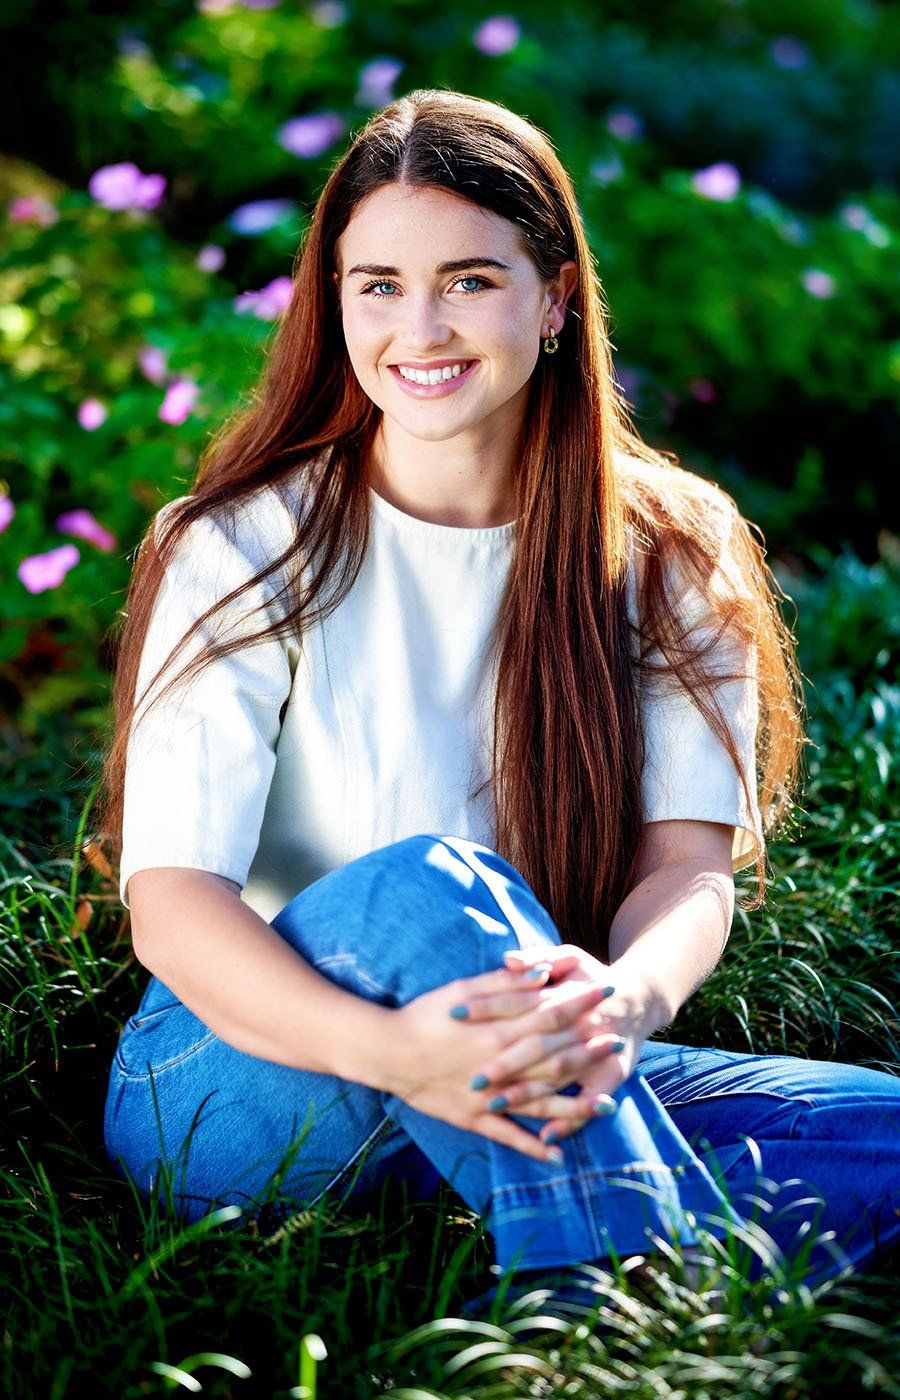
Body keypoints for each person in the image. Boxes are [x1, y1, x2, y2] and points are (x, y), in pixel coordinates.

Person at [96, 89, 900, 1318]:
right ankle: (611, 1303)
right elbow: (174, 908)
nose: (420, 325)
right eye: (378, 284)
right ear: (336, 300)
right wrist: (397, 1052)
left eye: (470, 279)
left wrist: (622, 1005)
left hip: (528, 1055)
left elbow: (687, 869)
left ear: (558, 296)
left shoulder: (671, 547)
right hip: (234, 1077)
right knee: (431, 883)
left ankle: (530, 1200)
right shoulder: (243, 541)